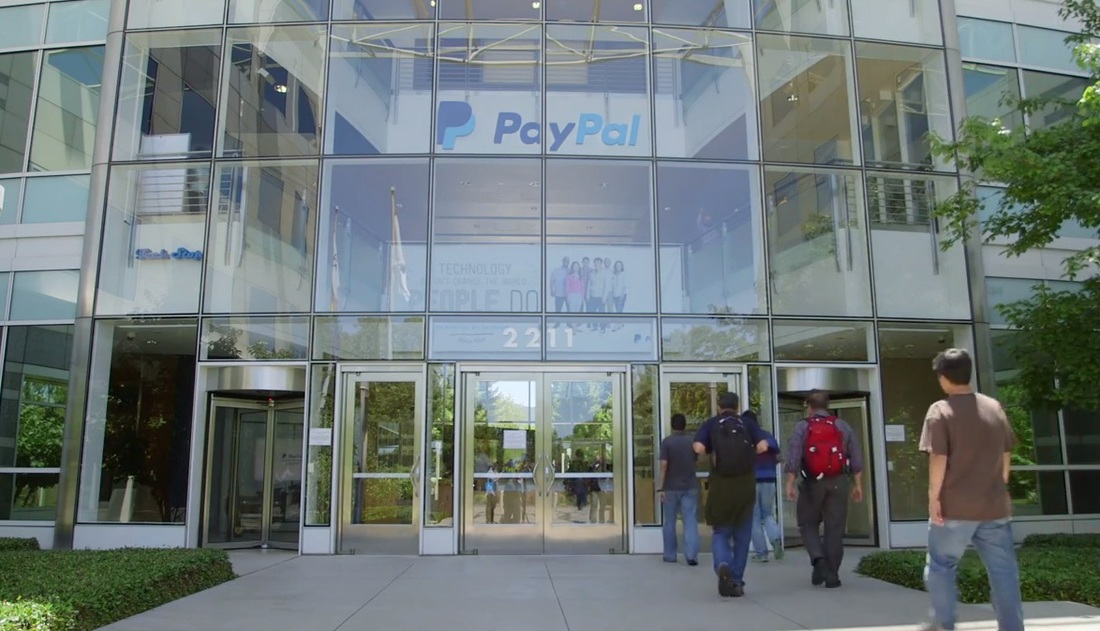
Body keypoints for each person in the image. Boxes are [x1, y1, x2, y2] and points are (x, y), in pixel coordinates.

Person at [919, 349, 1023, 631]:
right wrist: (1001, 486)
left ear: (943, 378)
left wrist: (934, 499)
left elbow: (938, 458)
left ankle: (944, 624)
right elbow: (1006, 453)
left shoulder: (940, 411)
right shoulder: (994, 407)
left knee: (942, 566)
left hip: (954, 508)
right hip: (993, 507)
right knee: (1003, 573)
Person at [784, 389, 864, 589]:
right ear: (827, 405)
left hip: (812, 483)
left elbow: (794, 455)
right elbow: (856, 457)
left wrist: (790, 482)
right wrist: (858, 484)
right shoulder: (842, 426)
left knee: (807, 523)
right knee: (834, 528)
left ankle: (818, 558)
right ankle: (832, 575)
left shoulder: (803, 427)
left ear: (808, 406)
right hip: (839, 481)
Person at [693, 392, 770, 597]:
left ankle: (722, 565)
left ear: (719, 406)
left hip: (721, 485)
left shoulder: (712, 423)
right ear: (738, 406)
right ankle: (736, 581)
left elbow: (699, 447)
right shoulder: (747, 423)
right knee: (742, 536)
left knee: (721, 532)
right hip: (745, 485)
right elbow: (763, 446)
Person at [659, 413, 699, 565]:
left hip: (670, 487)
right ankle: (691, 556)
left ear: (672, 425)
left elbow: (663, 466)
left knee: (670, 522)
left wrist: (660, 488)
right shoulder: (692, 442)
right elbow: (696, 462)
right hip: (690, 486)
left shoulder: (667, 442)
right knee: (690, 521)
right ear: (685, 425)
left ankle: (670, 555)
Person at [744, 410, 783, 562]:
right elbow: (779, 457)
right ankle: (775, 538)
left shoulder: (744, 438)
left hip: (750, 481)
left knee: (754, 517)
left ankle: (762, 553)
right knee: (767, 514)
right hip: (769, 479)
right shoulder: (767, 435)